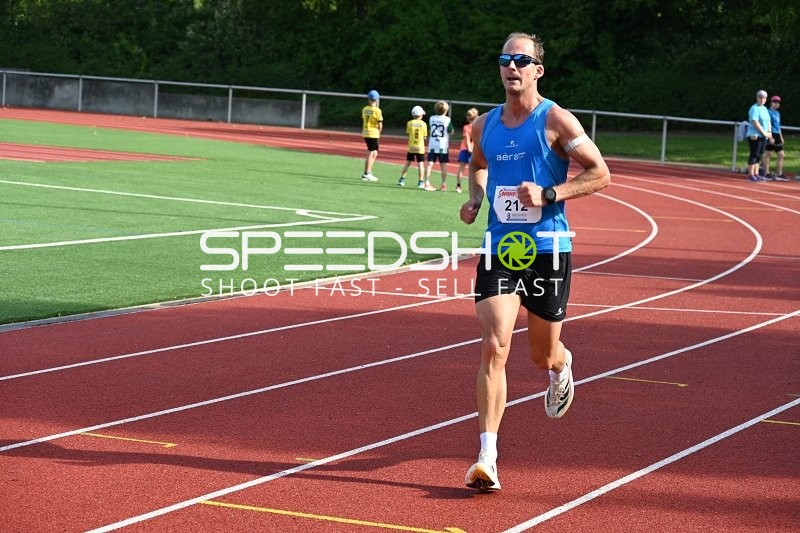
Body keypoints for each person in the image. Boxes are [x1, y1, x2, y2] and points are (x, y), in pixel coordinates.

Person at [459, 32, 610, 492]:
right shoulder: (484, 125)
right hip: (501, 248)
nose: (512, 66)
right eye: (505, 58)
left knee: (541, 353)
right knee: (495, 343)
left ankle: (562, 365)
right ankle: (488, 456)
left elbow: (600, 172)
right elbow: (478, 163)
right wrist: (477, 195)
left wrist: (550, 193)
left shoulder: (556, 120)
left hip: (547, 250)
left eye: (521, 59)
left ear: (537, 70)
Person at [422, 100, 454, 191]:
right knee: (443, 165)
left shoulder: (432, 118)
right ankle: (443, 184)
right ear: (446, 110)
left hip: (432, 145)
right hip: (443, 146)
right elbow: (451, 131)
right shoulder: (447, 120)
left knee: (429, 164)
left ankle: (426, 182)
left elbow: (430, 128)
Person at [746, 90, 772, 182]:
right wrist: (764, 132)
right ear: (757, 98)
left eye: (764, 97)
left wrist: (769, 132)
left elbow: (768, 121)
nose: (762, 99)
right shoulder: (754, 108)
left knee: (759, 155)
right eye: (760, 97)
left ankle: (756, 174)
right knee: (754, 154)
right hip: (755, 135)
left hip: (764, 136)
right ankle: (751, 174)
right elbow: (755, 122)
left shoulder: (764, 109)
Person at [398, 106, 428, 187]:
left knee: (408, 163)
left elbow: (408, 134)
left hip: (411, 146)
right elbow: (425, 137)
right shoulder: (424, 124)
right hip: (420, 147)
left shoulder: (409, 123)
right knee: (420, 164)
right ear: (421, 115)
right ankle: (421, 182)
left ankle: (402, 179)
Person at [763, 95, 788, 181]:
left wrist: (781, 136)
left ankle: (779, 173)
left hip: (777, 134)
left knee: (781, 155)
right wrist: (770, 136)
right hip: (771, 134)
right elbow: (767, 125)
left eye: (778, 102)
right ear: (771, 102)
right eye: (775, 102)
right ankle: (766, 173)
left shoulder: (778, 113)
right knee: (768, 154)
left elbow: (778, 126)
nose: (777, 104)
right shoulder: (768, 112)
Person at [455, 108, 479, 193]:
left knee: (461, 168)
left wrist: (469, 147)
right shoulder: (479, 126)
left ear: (468, 118)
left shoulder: (466, 127)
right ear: (477, 117)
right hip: (473, 150)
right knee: (474, 170)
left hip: (465, 149)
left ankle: (458, 186)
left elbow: (467, 139)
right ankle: (473, 188)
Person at [361, 90, 383, 182]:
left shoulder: (365, 109)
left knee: (374, 152)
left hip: (366, 132)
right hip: (373, 133)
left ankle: (367, 172)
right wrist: (379, 133)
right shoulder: (377, 110)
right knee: (371, 152)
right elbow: (380, 124)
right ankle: (367, 173)